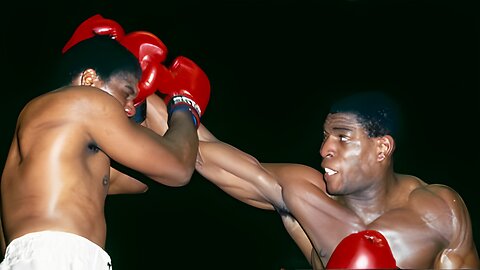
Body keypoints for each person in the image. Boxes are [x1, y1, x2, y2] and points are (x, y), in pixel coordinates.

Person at [191, 91, 479, 269]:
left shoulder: (441, 210)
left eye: (342, 137)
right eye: (325, 137)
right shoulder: (308, 197)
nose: (325, 149)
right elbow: (202, 154)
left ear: (382, 148)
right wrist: (174, 103)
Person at [0, 29, 210, 269]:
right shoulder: (84, 100)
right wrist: (185, 107)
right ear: (89, 80)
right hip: (58, 255)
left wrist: (142, 118)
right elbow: (177, 168)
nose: (130, 109)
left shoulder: (56, 148)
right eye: (126, 93)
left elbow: (143, 180)